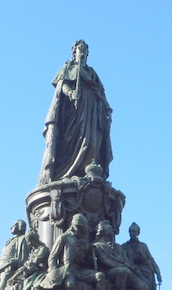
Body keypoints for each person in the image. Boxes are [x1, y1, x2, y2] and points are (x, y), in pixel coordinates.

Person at [38, 40, 113, 185]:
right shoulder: (68, 68)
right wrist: (71, 93)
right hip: (75, 109)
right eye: (80, 49)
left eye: (85, 50)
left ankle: (87, 172)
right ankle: (66, 172)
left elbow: (101, 92)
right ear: (75, 52)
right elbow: (62, 85)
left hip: (92, 110)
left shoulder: (91, 73)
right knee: (73, 138)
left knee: (92, 142)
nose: (83, 52)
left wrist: (107, 108)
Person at [42, 213, 109, 290]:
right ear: (75, 226)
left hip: (80, 270)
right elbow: (53, 256)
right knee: (70, 284)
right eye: (80, 228)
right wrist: (53, 271)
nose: (82, 231)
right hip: (67, 270)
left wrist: (90, 252)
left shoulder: (82, 241)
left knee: (100, 276)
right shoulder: (64, 237)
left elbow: (86, 260)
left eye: (83, 228)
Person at [93, 220, 148, 290]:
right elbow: (106, 261)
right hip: (110, 272)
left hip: (126, 271)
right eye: (109, 228)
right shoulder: (98, 246)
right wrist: (123, 266)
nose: (112, 229)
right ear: (102, 230)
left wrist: (133, 268)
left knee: (143, 287)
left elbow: (126, 260)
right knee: (123, 271)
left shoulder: (118, 247)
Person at [121, 222, 162, 290]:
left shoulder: (143, 246)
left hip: (147, 272)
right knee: (141, 289)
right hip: (134, 271)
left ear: (138, 233)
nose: (132, 233)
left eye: (134, 231)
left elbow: (151, 260)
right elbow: (123, 260)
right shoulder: (124, 246)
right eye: (130, 231)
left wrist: (158, 273)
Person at [0, 220, 29, 290]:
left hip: (9, 269)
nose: (11, 228)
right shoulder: (10, 240)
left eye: (13, 225)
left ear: (19, 227)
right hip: (2, 269)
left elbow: (24, 259)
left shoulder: (22, 239)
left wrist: (13, 263)